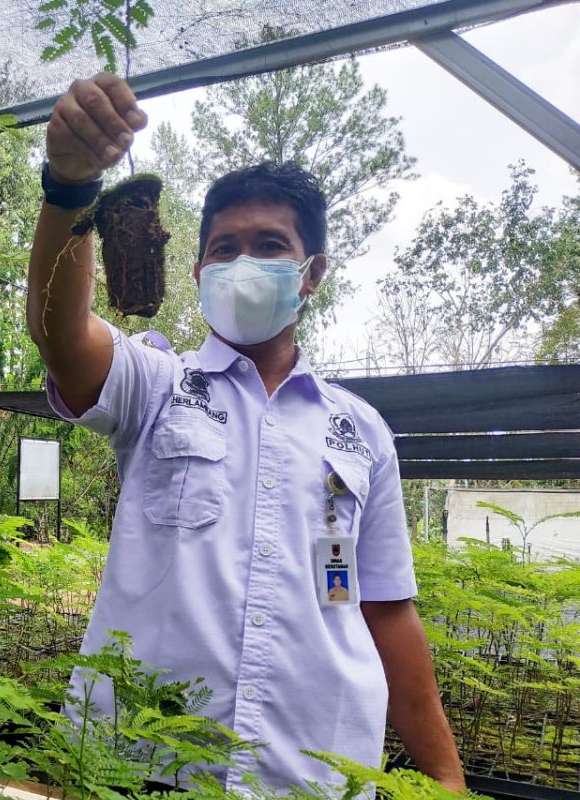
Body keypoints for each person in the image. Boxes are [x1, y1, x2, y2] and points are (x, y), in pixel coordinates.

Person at [27, 74, 464, 793]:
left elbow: (385, 609)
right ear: (196, 271)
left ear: (312, 273)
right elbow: (61, 337)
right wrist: (71, 187)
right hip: (140, 765)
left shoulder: (359, 433)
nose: (243, 263)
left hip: (314, 769)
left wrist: (445, 779)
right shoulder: (158, 384)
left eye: (269, 245)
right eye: (224, 248)